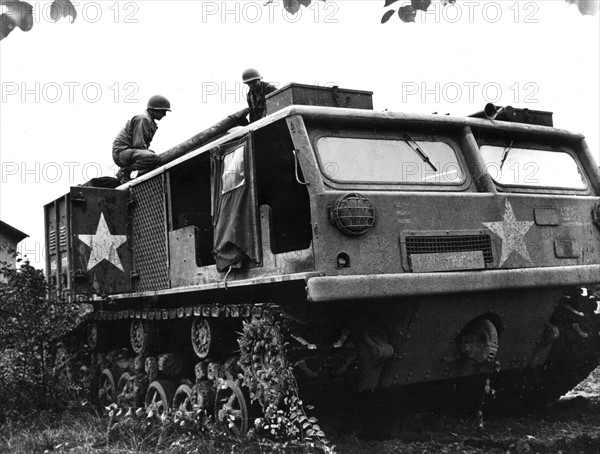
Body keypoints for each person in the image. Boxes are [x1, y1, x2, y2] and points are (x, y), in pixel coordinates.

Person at [112, 95, 171, 184]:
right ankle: (125, 172)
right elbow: (138, 144)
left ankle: (128, 173)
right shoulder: (144, 119)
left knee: (152, 158)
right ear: (153, 110)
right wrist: (151, 158)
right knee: (153, 158)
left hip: (128, 152)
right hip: (122, 152)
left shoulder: (150, 123)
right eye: (162, 111)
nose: (164, 114)